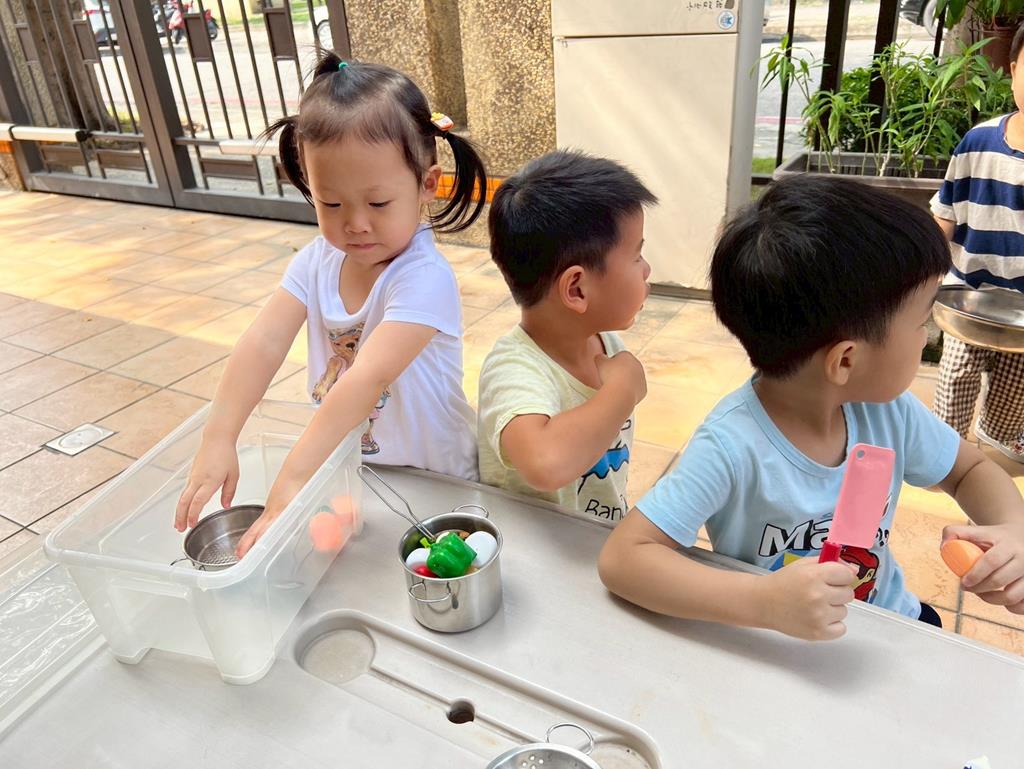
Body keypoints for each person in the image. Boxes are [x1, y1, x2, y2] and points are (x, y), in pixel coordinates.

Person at [599, 176, 1024, 641]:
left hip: (887, 621)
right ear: (846, 361)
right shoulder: (732, 445)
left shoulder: (889, 413)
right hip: (785, 640)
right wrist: (763, 602)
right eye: (922, 322)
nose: (927, 337)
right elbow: (624, 559)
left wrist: (1013, 530)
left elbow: (969, 471)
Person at [173, 54, 487, 556]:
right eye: (331, 203)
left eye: (378, 203)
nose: (355, 223)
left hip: (436, 480)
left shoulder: (424, 278)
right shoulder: (316, 262)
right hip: (357, 470)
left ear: (427, 184)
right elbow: (263, 342)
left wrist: (294, 478)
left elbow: (365, 379)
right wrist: (219, 436)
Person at [477, 150, 654, 521]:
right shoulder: (513, 369)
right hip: (534, 550)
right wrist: (622, 391)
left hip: (589, 535)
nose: (647, 269)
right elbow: (545, 463)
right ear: (576, 289)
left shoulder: (605, 344)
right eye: (636, 256)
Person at [931, 22, 1024, 461]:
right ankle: (946, 456)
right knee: (952, 391)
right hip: (968, 298)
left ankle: (997, 441)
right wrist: (921, 274)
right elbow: (945, 213)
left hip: (1022, 315)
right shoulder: (977, 142)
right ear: (1013, 69)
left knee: (1006, 417)